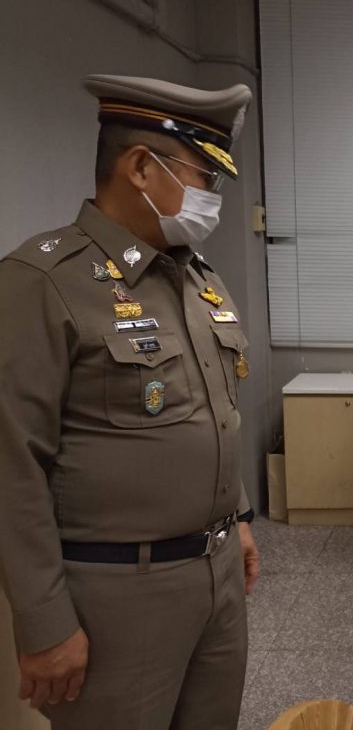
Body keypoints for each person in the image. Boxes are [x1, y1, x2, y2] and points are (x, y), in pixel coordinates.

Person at [0, 74, 260, 729]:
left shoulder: (196, 277)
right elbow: (11, 465)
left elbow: (215, 408)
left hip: (217, 575)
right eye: (204, 176)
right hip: (117, 594)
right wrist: (44, 620)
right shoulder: (44, 283)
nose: (213, 197)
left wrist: (239, 516)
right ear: (142, 168)